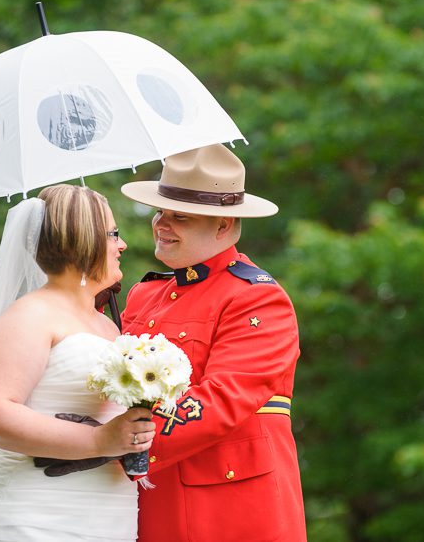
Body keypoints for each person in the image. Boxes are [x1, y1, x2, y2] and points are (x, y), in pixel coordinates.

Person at [0, 184, 156, 541]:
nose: (123, 245)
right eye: (113, 234)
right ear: (83, 239)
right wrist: (99, 441)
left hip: (107, 515)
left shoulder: (106, 324)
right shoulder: (31, 314)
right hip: (36, 513)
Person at [119, 143, 307, 541]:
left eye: (180, 218)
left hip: (225, 509)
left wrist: (111, 445)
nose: (161, 224)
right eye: (161, 212)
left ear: (223, 226)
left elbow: (221, 400)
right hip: (137, 498)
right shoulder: (141, 293)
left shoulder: (256, 297)